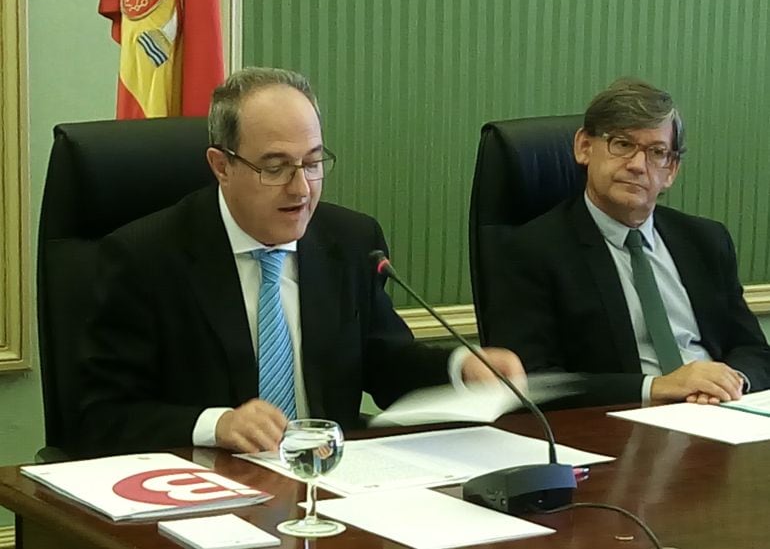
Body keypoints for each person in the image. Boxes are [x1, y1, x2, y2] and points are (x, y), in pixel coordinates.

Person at [78, 67, 523, 455]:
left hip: (331, 480)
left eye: (312, 162)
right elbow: (102, 416)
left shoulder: (350, 241)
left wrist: (461, 367)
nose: (302, 189)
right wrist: (217, 425)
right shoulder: (143, 258)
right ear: (221, 165)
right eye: (275, 167)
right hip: (212, 490)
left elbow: (384, 364)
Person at [486, 78, 770, 407]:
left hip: (720, 414)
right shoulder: (530, 251)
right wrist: (656, 387)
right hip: (619, 428)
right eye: (622, 145)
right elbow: (534, 379)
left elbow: (754, 351)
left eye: (657, 152)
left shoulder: (705, 240)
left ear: (672, 170)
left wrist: (731, 381)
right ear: (584, 147)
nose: (637, 165)